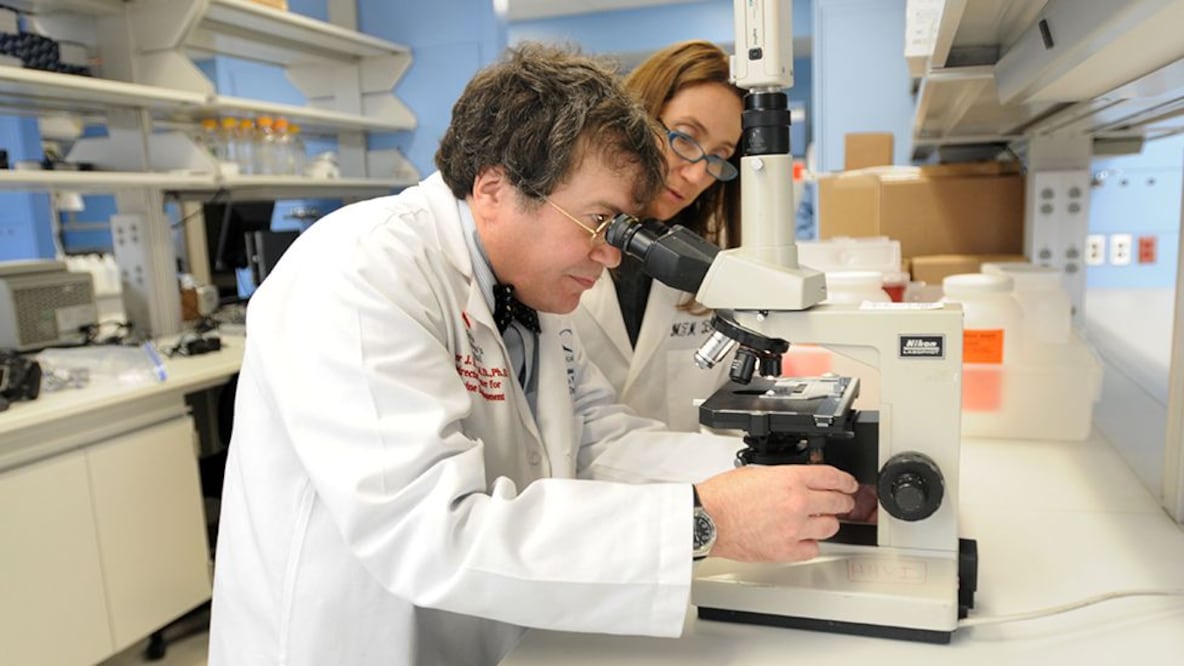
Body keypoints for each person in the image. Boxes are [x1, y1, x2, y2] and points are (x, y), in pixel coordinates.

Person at [207, 43, 857, 666]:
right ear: (493, 188)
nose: (609, 256)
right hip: (353, 642)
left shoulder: (528, 290)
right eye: (598, 223)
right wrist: (703, 520)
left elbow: (601, 439)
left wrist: (784, 478)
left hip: (485, 631)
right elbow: (432, 532)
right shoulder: (359, 271)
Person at [571, 40, 745, 432]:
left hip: (687, 485)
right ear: (638, 117)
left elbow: (730, 406)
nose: (698, 175)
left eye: (719, 156)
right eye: (684, 138)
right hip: (571, 487)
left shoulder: (708, 265)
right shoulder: (561, 242)